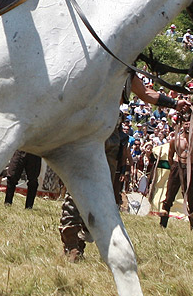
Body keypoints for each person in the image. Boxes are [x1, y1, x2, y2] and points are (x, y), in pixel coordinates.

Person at [60, 72, 185, 260]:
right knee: (78, 188)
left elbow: (146, 94)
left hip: (112, 134)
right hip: (89, 129)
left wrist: (175, 104)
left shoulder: (127, 70)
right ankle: (71, 246)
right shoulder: (99, 62)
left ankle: (80, 243)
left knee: (101, 193)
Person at [160, 102, 193, 232]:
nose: (187, 125)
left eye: (189, 123)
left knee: (192, 198)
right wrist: (174, 167)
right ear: (182, 125)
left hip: (190, 168)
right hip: (177, 167)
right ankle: (163, 225)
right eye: (185, 123)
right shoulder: (175, 140)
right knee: (169, 196)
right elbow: (170, 156)